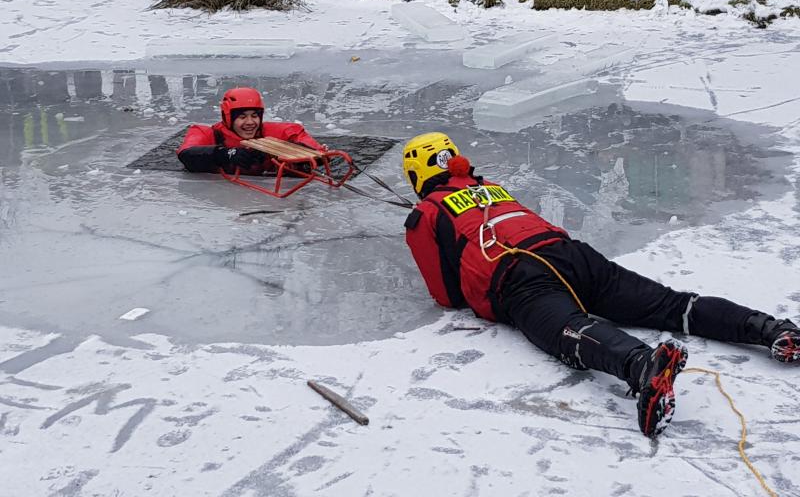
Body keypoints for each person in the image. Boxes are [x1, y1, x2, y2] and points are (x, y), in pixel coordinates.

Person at [401, 132, 800, 438]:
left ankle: (643, 366)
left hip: (519, 277)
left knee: (569, 332)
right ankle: (769, 329)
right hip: (574, 256)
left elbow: (446, 296)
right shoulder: (493, 189)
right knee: (672, 304)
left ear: (417, 175)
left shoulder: (426, 212)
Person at [177, 87, 324, 175]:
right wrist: (226, 154)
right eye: (242, 117)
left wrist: (300, 155)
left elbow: (316, 151)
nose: (250, 122)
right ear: (228, 118)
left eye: (254, 116)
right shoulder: (206, 133)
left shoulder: (279, 132)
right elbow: (186, 154)